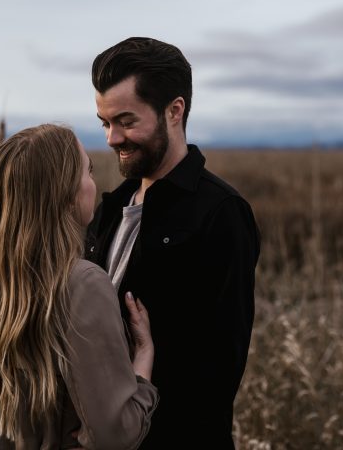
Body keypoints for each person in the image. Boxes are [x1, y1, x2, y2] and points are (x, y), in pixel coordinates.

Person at [86, 37, 260, 449]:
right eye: (105, 123)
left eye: (126, 121)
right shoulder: (110, 208)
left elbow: (219, 370)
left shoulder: (220, 212)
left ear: (174, 111)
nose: (112, 138)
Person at [0, 124, 159, 449]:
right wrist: (143, 357)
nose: (92, 184)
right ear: (66, 193)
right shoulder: (83, 284)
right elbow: (117, 434)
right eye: (88, 171)